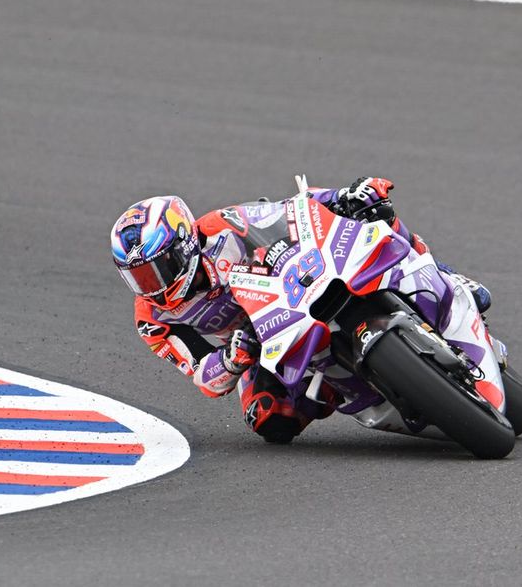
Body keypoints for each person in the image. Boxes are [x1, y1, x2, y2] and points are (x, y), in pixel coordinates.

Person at [110, 178, 490, 443]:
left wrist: (345, 195)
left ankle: (445, 275)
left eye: (157, 270)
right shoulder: (153, 319)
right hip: (255, 341)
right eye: (138, 278)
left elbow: (292, 210)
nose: (152, 286)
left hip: (290, 288)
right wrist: (232, 357)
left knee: (374, 213)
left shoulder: (221, 227)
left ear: (185, 243)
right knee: (268, 419)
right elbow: (203, 377)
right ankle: (341, 387)